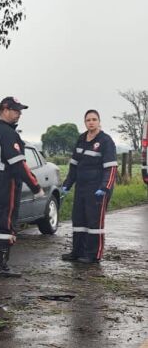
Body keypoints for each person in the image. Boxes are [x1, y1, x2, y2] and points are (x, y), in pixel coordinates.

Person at [0, 97, 44, 277]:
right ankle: (2, 265)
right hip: (4, 182)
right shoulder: (8, 133)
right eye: (16, 110)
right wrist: (35, 187)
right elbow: (19, 165)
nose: (19, 114)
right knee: (5, 222)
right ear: (4, 110)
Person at [60, 110, 117, 263]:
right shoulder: (81, 139)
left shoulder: (106, 141)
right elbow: (74, 165)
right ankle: (77, 252)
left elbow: (111, 168)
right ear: (85, 122)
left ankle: (93, 255)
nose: (91, 122)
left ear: (99, 121)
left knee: (94, 222)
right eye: (88, 120)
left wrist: (105, 187)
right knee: (78, 219)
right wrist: (67, 185)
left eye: (94, 119)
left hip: (97, 188)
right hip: (81, 187)